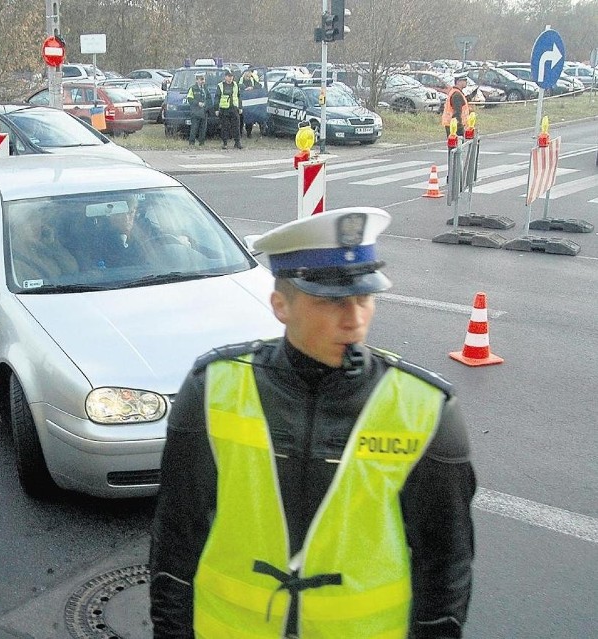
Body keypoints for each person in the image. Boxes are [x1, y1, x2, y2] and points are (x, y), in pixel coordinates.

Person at [150, 207, 476, 639]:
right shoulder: (213, 388)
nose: (355, 319)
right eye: (331, 301)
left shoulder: (426, 408)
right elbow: (175, 537)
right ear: (280, 304)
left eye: (365, 297)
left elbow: (446, 566)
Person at [214, 69, 242, 150]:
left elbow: (239, 96)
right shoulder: (220, 85)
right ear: (225, 77)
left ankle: (237, 143)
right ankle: (225, 143)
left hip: (234, 108)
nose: (230, 78)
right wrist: (216, 109)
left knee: (236, 126)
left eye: (231, 76)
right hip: (224, 109)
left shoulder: (236, 85)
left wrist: (240, 107)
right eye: (229, 76)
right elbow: (217, 98)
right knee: (224, 127)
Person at [442, 73, 470, 139]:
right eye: (464, 80)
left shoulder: (456, 92)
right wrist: (459, 126)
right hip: (455, 126)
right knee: (456, 147)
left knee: (455, 146)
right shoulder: (457, 95)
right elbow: (457, 111)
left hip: (452, 124)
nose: (466, 82)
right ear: (458, 82)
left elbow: (463, 102)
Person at [186, 72, 210, 147]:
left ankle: (201, 143)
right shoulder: (192, 88)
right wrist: (197, 103)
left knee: (203, 129)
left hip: (204, 112)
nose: (203, 81)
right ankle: (191, 143)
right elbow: (190, 99)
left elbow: (209, 99)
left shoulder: (206, 88)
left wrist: (207, 107)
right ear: (197, 80)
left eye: (203, 79)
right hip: (195, 112)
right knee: (194, 128)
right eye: (201, 79)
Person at [238, 68, 262, 139]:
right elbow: (237, 86)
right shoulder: (240, 79)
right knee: (240, 119)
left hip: (250, 102)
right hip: (241, 102)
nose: (248, 75)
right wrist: (244, 88)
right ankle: (240, 133)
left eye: (250, 74)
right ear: (244, 73)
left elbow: (259, 86)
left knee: (249, 119)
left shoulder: (252, 80)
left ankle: (249, 133)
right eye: (247, 73)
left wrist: (252, 88)